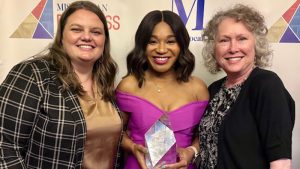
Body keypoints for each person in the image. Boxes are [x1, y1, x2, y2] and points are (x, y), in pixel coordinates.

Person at [0, 1, 123, 169]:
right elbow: (5, 147)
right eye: (76, 29)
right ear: (61, 37)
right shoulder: (33, 74)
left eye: (96, 32)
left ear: (104, 41)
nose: (87, 37)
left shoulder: (105, 82)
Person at [197, 4, 295, 169]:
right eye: (224, 40)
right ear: (214, 48)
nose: (233, 48)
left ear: (255, 45)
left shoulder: (267, 85)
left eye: (242, 38)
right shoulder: (214, 89)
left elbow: (281, 162)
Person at [116, 10, 209, 169]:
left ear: (181, 45)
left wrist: (192, 151)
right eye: (152, 41)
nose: (161, 49)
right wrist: (132, 147)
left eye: (170, 41)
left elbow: (205, 135)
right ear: (143, 46)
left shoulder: (198, 88)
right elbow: (115, 133)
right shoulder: (129, 86)